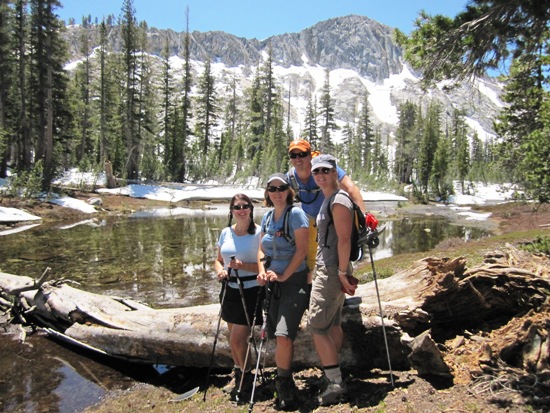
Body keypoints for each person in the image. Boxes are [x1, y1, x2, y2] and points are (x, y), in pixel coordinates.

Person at [307, 154, 358, 406]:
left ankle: (335, 383)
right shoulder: (330, 198)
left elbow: (345, 239)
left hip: (331, 270)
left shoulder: (338, 200)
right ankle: (333, 373)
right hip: (328, 268)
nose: (320, 175)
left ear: (335, 171)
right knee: (333, 323)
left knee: (316, 326)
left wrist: (339, 272)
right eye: (316, 172)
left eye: (325, 171)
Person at [256, 173, 310, 410]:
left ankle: (285, 383)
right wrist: (261, 271)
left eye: (281, 188)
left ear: (289, 191)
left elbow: (302, 251)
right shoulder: (267, 217)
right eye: (272, 188)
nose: (277, 192)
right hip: (272, 282)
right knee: (273, 333)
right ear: (267, 193)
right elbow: (261, 250)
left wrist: (285, 275)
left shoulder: (296, 214)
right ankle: (282, 379)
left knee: (283, 334)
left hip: (293, 280)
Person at [285, 139, 364, 281]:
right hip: (309, 220)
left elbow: (351, 188)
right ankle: (311, 291)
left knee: (337, 255)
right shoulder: (290, 177)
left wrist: (364, 218)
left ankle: (342, 286)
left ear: (310, 155)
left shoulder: (324, 167)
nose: (298, 159)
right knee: (310, 259)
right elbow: (282, 202)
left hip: (332, 219)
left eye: (302, 154)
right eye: (293, 155)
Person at [213, 193, 263, 399]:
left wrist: (243, 266)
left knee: (236, 340)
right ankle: (241, 371)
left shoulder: (260, 233)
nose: (241, 210)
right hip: (229, 289)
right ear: (232, 211)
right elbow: (217, 259)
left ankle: (244, 378)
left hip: (251, 291)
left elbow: (263, 265)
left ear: (251, 208)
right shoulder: (226, 232)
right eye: (237, 207)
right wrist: (220, 271)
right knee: (235, 337)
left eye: (245, 206)